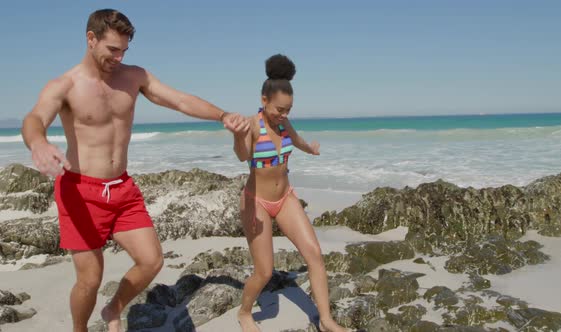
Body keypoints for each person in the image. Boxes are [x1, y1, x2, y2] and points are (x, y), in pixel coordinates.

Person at [20, 9, 249, 332]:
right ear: (90, 39)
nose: (119, 57)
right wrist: (38, 143)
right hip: (80, 192)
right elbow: (34, 118)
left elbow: (180, 101)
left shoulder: (134, 76)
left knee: (151, 260)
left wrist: (222, 115)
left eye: (124, 50)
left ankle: (114, 307)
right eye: (113, 49)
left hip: (122, 188)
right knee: (90, 278)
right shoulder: (66, 85)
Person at [232, 54, 346, 332]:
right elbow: (242, 155)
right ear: (264, 100)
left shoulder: (284, 124)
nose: (283, 115)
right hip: (255, 201)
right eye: (279, 109)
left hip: (285, 198)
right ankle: (245, 312)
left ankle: (326, 320)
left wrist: (311, 149)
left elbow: (296, 141)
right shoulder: (251, 125)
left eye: (289, 110)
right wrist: (237, 135)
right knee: (264, 271)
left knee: (315, 255)